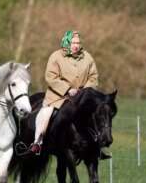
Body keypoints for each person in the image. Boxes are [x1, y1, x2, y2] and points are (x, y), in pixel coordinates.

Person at [29, 30, 111, 159]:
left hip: (82, 98)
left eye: (78, 43)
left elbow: (93, 77)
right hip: (58, 97)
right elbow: (51, 77)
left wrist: (84, 91)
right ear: (67, 42)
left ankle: (97, 148)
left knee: (96, 115)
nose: (76, 45)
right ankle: (37, 142)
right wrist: (67, 89)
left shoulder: (87, 57)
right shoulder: (55, 56)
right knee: (46, 113)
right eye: (73, 43)